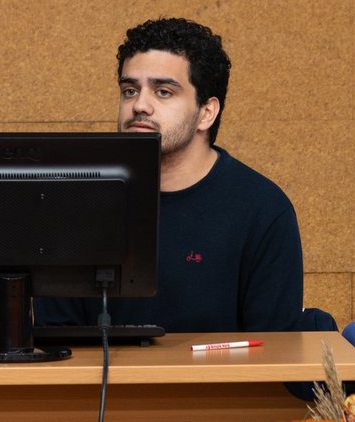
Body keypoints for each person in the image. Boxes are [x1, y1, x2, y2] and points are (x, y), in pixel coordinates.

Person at [35, 17, 303, 333]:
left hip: (219, 383)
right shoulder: (75, 206)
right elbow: (54, 344)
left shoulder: (262, 210)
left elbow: (275, 357)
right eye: (130, 90)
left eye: (163, 92)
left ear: (207, 112)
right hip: (103, 383)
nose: (139, 105)